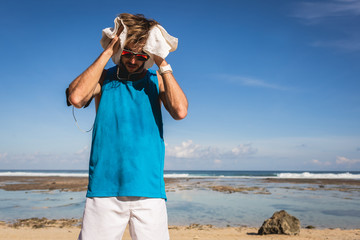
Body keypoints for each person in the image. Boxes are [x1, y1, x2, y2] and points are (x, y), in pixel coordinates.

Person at [67, 13, 188, 240]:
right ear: (120, 50)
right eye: (127, 53)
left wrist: (162, 60)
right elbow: (76, 97)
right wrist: (107, 52)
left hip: (149, 191)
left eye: (141, 55)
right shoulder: (103, 80)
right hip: (105, 190)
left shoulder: (157, 80)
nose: (133, 61)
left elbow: (180, 111)